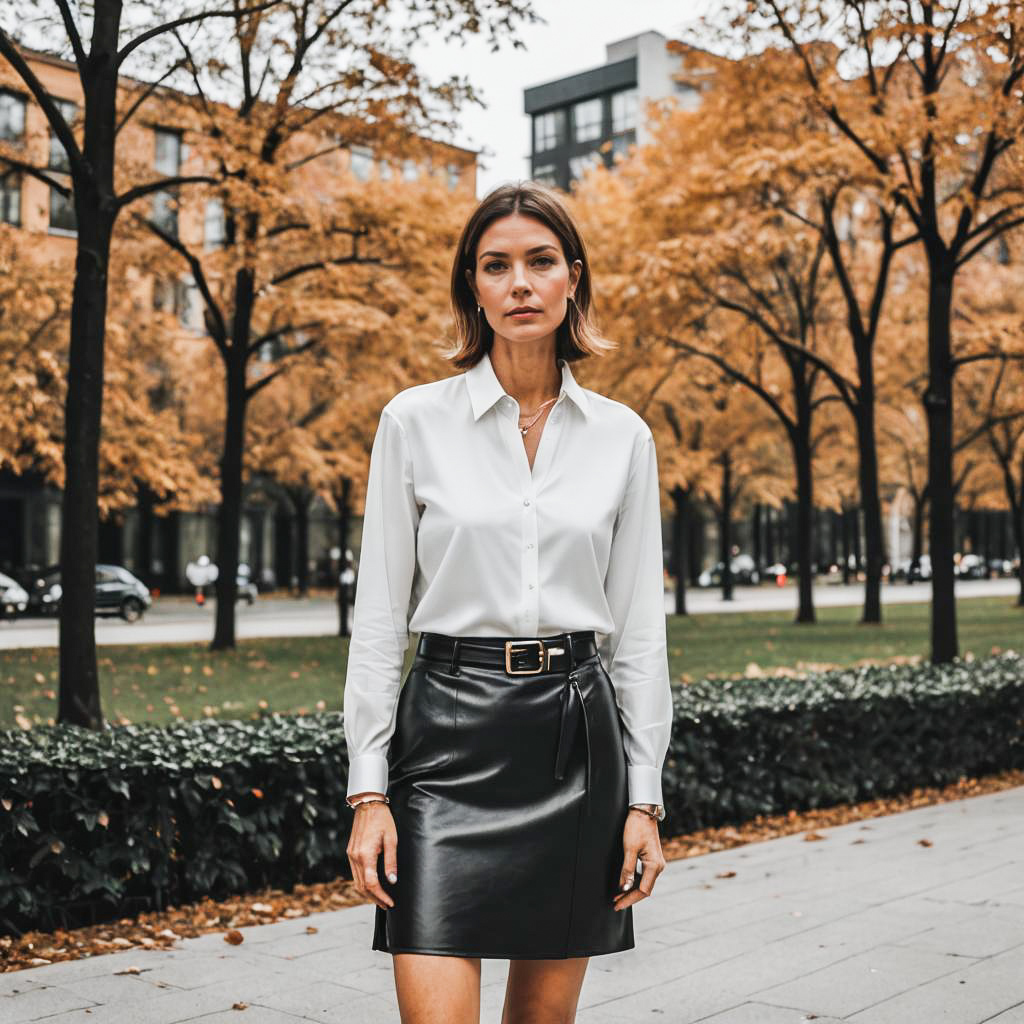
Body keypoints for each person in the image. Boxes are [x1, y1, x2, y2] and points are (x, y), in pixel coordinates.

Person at [343, 180, 673, 1023]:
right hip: (445, 740)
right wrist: (369, 792)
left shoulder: (623, 438)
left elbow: (637, 633)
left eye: (540, 262)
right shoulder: (412, 424)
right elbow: (379, 621)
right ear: (473, 288)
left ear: (573, 280)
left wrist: (644, 800)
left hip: (573, 740)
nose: (520, 284)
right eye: (497, 266)